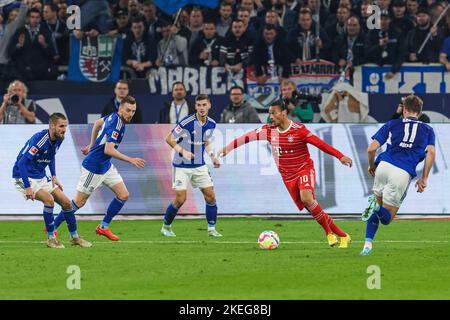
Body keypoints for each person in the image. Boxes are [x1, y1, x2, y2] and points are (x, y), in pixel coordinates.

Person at [219, 100, 354, 247]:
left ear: (283, 113)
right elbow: (248, 137)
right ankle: (343, 235)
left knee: (307, 198)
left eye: (274, 113)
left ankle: (329, 233)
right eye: (269, 113)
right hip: (288, 176)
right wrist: (228, 147)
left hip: (304, 169)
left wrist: (340, 156)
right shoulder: (269, 130)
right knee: (311, 206)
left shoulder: (299, 130)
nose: (271, 117)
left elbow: (321, 144)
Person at [53, 96, 146, 241]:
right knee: (79, 202)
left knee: (123, 195)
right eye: (128, 110)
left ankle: (103, 227)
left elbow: (97, 123)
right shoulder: (116, 124)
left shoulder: (114, 116)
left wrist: (92, 144)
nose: (131, 114)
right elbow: (108, 150)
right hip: (94, 168)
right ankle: (53, 227)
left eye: (133, 111)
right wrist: (130, 159)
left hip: (106, 166)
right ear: (120, 109)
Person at [361, 95, 436, 256]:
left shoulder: (392, 124)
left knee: (378, 209)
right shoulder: (428, 129)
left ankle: (367, 245)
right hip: (401, 172)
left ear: (404, 109)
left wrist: (371, 165)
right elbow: (431, 152)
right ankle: (375, 208)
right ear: (420, 112)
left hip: (383, 166)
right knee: (387, 219)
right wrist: (424, 177)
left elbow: (371, 149)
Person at [11, 113, 92, 249]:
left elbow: (51, 155)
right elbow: (22, 163)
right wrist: (27, 187)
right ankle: (51, 239)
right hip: (22, 176)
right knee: (48, 200)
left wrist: (54, 175)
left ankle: (74, 237)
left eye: (65, 126)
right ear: (52, 126)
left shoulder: (59, 138)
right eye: (61, 126)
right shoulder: (40, 140)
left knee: (67, 203)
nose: (64, 129)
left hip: (41, 176)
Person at [161, 94, 222, 237]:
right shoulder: (187, 122)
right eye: (199, 105)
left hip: (199, 165)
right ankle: (166, 226)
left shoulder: (211, 123)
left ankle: (211, 229)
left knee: (210, 196)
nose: (201, 108)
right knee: (181, 199)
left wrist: (213, 156)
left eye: (204, 105)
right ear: (195, 106)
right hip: (181, 165)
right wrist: (184, 152)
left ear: (209, 106)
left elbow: (206, 141)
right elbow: (169, 138)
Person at [8, 7, 57, 81]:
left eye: (37, 17)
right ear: (28, 18)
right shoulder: (20, 31)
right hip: (22, 72)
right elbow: (10, 52)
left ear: (40, 18)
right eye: (32, 17)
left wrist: (44, 44)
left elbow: (53, 54)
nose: (35, 20)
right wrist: (19, 45)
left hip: (41, 73)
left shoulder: (46, 32)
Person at [365, 10, 406, 80]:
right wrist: (379, 46)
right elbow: (366, 52)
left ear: (390, 20)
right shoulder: (372, 33)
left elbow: (401, 54)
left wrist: (393, 70)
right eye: (381, 19)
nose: (383, 22)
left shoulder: (397, 33)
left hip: (391, 68)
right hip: (374, 69)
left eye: (386, 19)